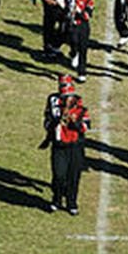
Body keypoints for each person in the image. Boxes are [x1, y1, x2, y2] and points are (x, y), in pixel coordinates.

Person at [47, 84, 89, 214]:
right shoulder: (54, 107)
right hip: (59, 146)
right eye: (64, 97)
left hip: (75, 146)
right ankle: (57, 199)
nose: (67, 100)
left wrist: (74, 122)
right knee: (59, 175)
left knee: (74, 176)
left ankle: (72, 202)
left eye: (69, 97)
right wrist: (56, 123)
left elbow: (86, 127)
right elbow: (46, 123)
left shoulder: (80, 109)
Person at [64, 0, 94, 83]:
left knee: (83, 49)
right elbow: (64, 11)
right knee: (73, 42)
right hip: (72, 25)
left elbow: (88, 15)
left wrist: (79, 11)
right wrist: (69, 13)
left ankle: (82, 72)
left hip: (83, 26)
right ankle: (73, 53)